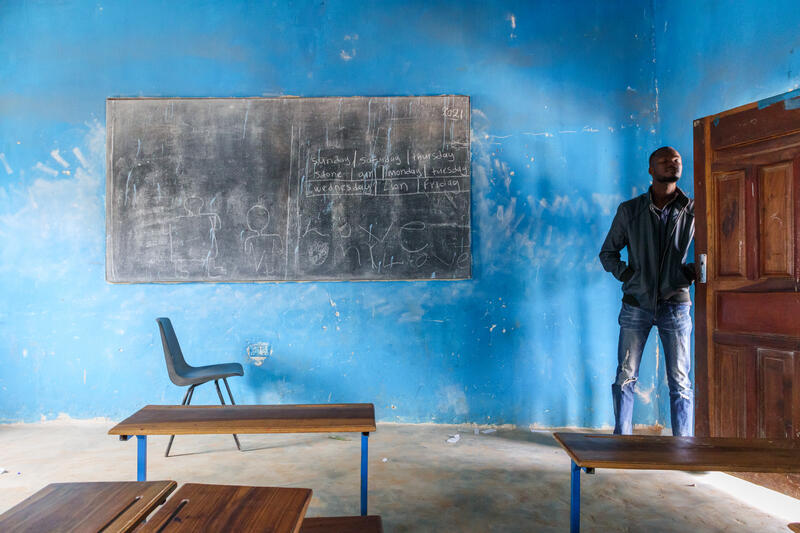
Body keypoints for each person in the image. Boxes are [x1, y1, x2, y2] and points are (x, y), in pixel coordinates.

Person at [599, 146, 696, 436]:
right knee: (625, 375)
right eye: (664, 161)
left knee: (680, 380)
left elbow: (712, 251)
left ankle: (683, 446)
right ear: (651, 170)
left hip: (676, 304)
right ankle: (623, 439)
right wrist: (631, 276)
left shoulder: (693, 209)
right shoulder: (630, 210)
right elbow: (608, 254)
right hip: (636, 305)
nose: (672, 164)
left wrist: (688, 273)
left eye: (676, 160)